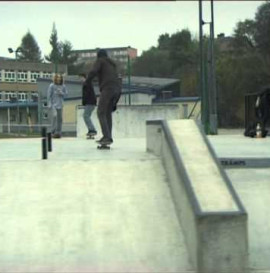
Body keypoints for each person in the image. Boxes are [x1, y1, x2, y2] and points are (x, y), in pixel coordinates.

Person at [85, 49, 121, 145]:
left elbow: (93, 71)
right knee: (107, 113)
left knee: (100, 112)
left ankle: (107, 137)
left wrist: (87, 81)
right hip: (117, 89)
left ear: (98, 56)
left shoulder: (100, 61)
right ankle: (109, 136)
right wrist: (116, 100)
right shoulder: (112, 65)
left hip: (108, 88)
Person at [47, 74, 68, 138]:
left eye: (60, 78)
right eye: (57, 78)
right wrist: (49, 104)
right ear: (55, 79)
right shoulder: (52, 86)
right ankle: (53, 131)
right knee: (54, 116)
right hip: (53, 104)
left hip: (60, 104)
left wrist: (61, 93)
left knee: (60, 119)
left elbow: (66, 94)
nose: (59, 79)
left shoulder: (63, 86)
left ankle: (58, 132)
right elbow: (49, 95)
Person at [79, 73, 97, 138]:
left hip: (90, 102)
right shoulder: (88, 83)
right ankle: (91, 130)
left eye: (80, 78)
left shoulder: (86, 84)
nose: (80, 80)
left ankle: (92, 130)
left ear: (83, 77)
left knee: (86, 116)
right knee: (86, 116)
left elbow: (86, 95)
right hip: (91, 102)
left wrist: (84, 103)